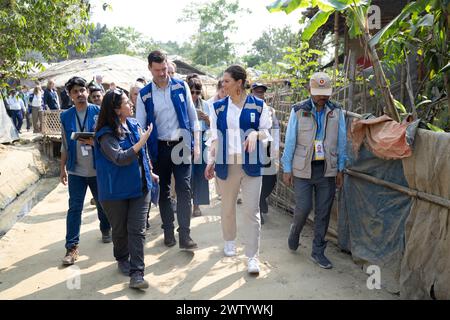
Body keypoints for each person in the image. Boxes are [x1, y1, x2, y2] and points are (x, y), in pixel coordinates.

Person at [204, 65, 272, 275]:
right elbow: (214, 138)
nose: (222, 85)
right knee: (227, 207)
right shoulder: (218, 108)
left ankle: (252, 257)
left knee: (252, 210)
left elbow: (266, 132)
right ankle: (229, 240)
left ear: (239, 83)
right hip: (227, 162)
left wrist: (254, 135)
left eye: (226, 81)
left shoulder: (259, 106)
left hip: (251, 163)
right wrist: (211, 160)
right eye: (222, 81)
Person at [281, 72, 347, 269]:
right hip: (302, 168)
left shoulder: (336, 111)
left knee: (323, 212)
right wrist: (287, 168)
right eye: (318, 93)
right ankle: (295, 231)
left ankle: (318, 251)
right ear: (310, 90)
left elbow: (342, 141)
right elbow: (291, 140)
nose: (322, 97)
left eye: (325, 93)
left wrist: (341, 168)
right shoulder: (299, 110)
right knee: (303, 207)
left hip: (326, 169)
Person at [136, 50, 201, 250]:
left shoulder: (181, 87)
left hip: (182, 144)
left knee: (184, 189)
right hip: (159, 148)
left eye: (164, 69)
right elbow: (139, 127)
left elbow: (193, 118)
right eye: (157, 70)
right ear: (150, 69)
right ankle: (167, 230)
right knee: (163, 191)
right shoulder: (144, 94)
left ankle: (185, 235)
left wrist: (196, 145)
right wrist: (144, 156)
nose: (162, 73)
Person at [95, 89, 158, 290]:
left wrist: (150, 171)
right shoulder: (105, 134)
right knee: (120, 231)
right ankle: (122, 257)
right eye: (126, 103)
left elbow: (143, 153)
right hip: (115, 191)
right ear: (116, 109)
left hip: (140, 187)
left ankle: (137, 273)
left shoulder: (133, 124)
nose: (131, 104)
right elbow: (120, 158)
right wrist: (141, 142)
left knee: (137, 231)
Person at [59, 76, 111, 266]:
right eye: (75, 92)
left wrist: (94, 141)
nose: (80, 94)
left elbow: (109, 138)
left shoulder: (99, 111)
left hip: (98, 169)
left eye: (82, 91)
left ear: (87, 92)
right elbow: (64, 144)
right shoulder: (65, 116)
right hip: (76, 170)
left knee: (102, 203)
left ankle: (106, 228)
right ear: (70, 95)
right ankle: (71, 247)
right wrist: (62, 168)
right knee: (74, 208)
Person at [250, 82, 280, 225]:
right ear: (252, 93)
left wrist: (275, 149)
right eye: (257, 92)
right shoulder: (247, 109)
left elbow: (275, 129)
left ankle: (261, 199)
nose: (259, 95)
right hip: (252, 150)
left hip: (267, 149)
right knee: (255, 179)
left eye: (261, 92)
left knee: (271, 179)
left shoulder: (270, 111)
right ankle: (258, 210)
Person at [187, 76, 210, 217]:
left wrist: (206, 118)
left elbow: (213, 126)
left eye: (197, 92)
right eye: (192, 92)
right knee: (187, 174)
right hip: (187, 139)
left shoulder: (206, 105)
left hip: (202, 139)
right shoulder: (184, 104)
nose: (195, 95)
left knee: (201, 174)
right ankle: (186, 203)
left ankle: (197, 204)